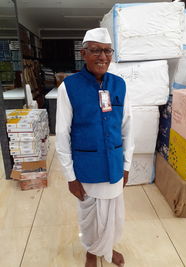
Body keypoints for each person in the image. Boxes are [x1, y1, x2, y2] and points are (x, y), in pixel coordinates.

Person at [56, 27, 134, 267]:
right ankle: (92, 250)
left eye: (107, 51)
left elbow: (127, 127)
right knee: (89, 216)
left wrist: (127, 165)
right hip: (86, 166)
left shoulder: (119, 85)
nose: (103, 57)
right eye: (96, 51)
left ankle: (107, 248)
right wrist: (70, 176)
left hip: (113, 165)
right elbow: (61, 134)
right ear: (84, 53)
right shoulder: (68, 87)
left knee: (114, 215)